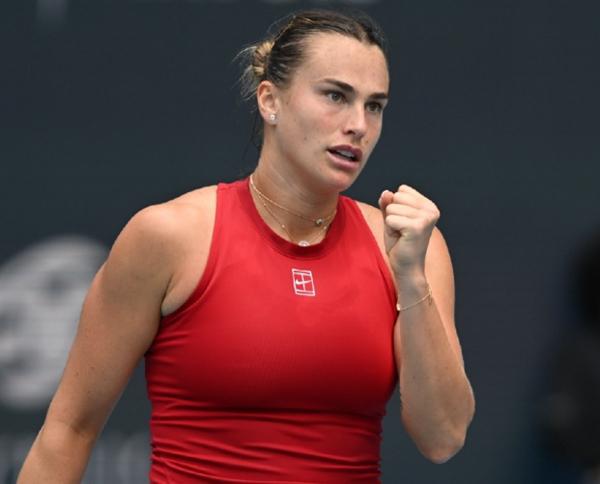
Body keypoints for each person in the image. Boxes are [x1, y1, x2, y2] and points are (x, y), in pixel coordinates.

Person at [18, 9, 475, 483]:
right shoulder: (169, 236)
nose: (358, 124)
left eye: (374, 105)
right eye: (336, 95)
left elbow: (443, 437)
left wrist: (411, 278)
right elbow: (67, 432)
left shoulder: (411, 249)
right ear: (270, 100)